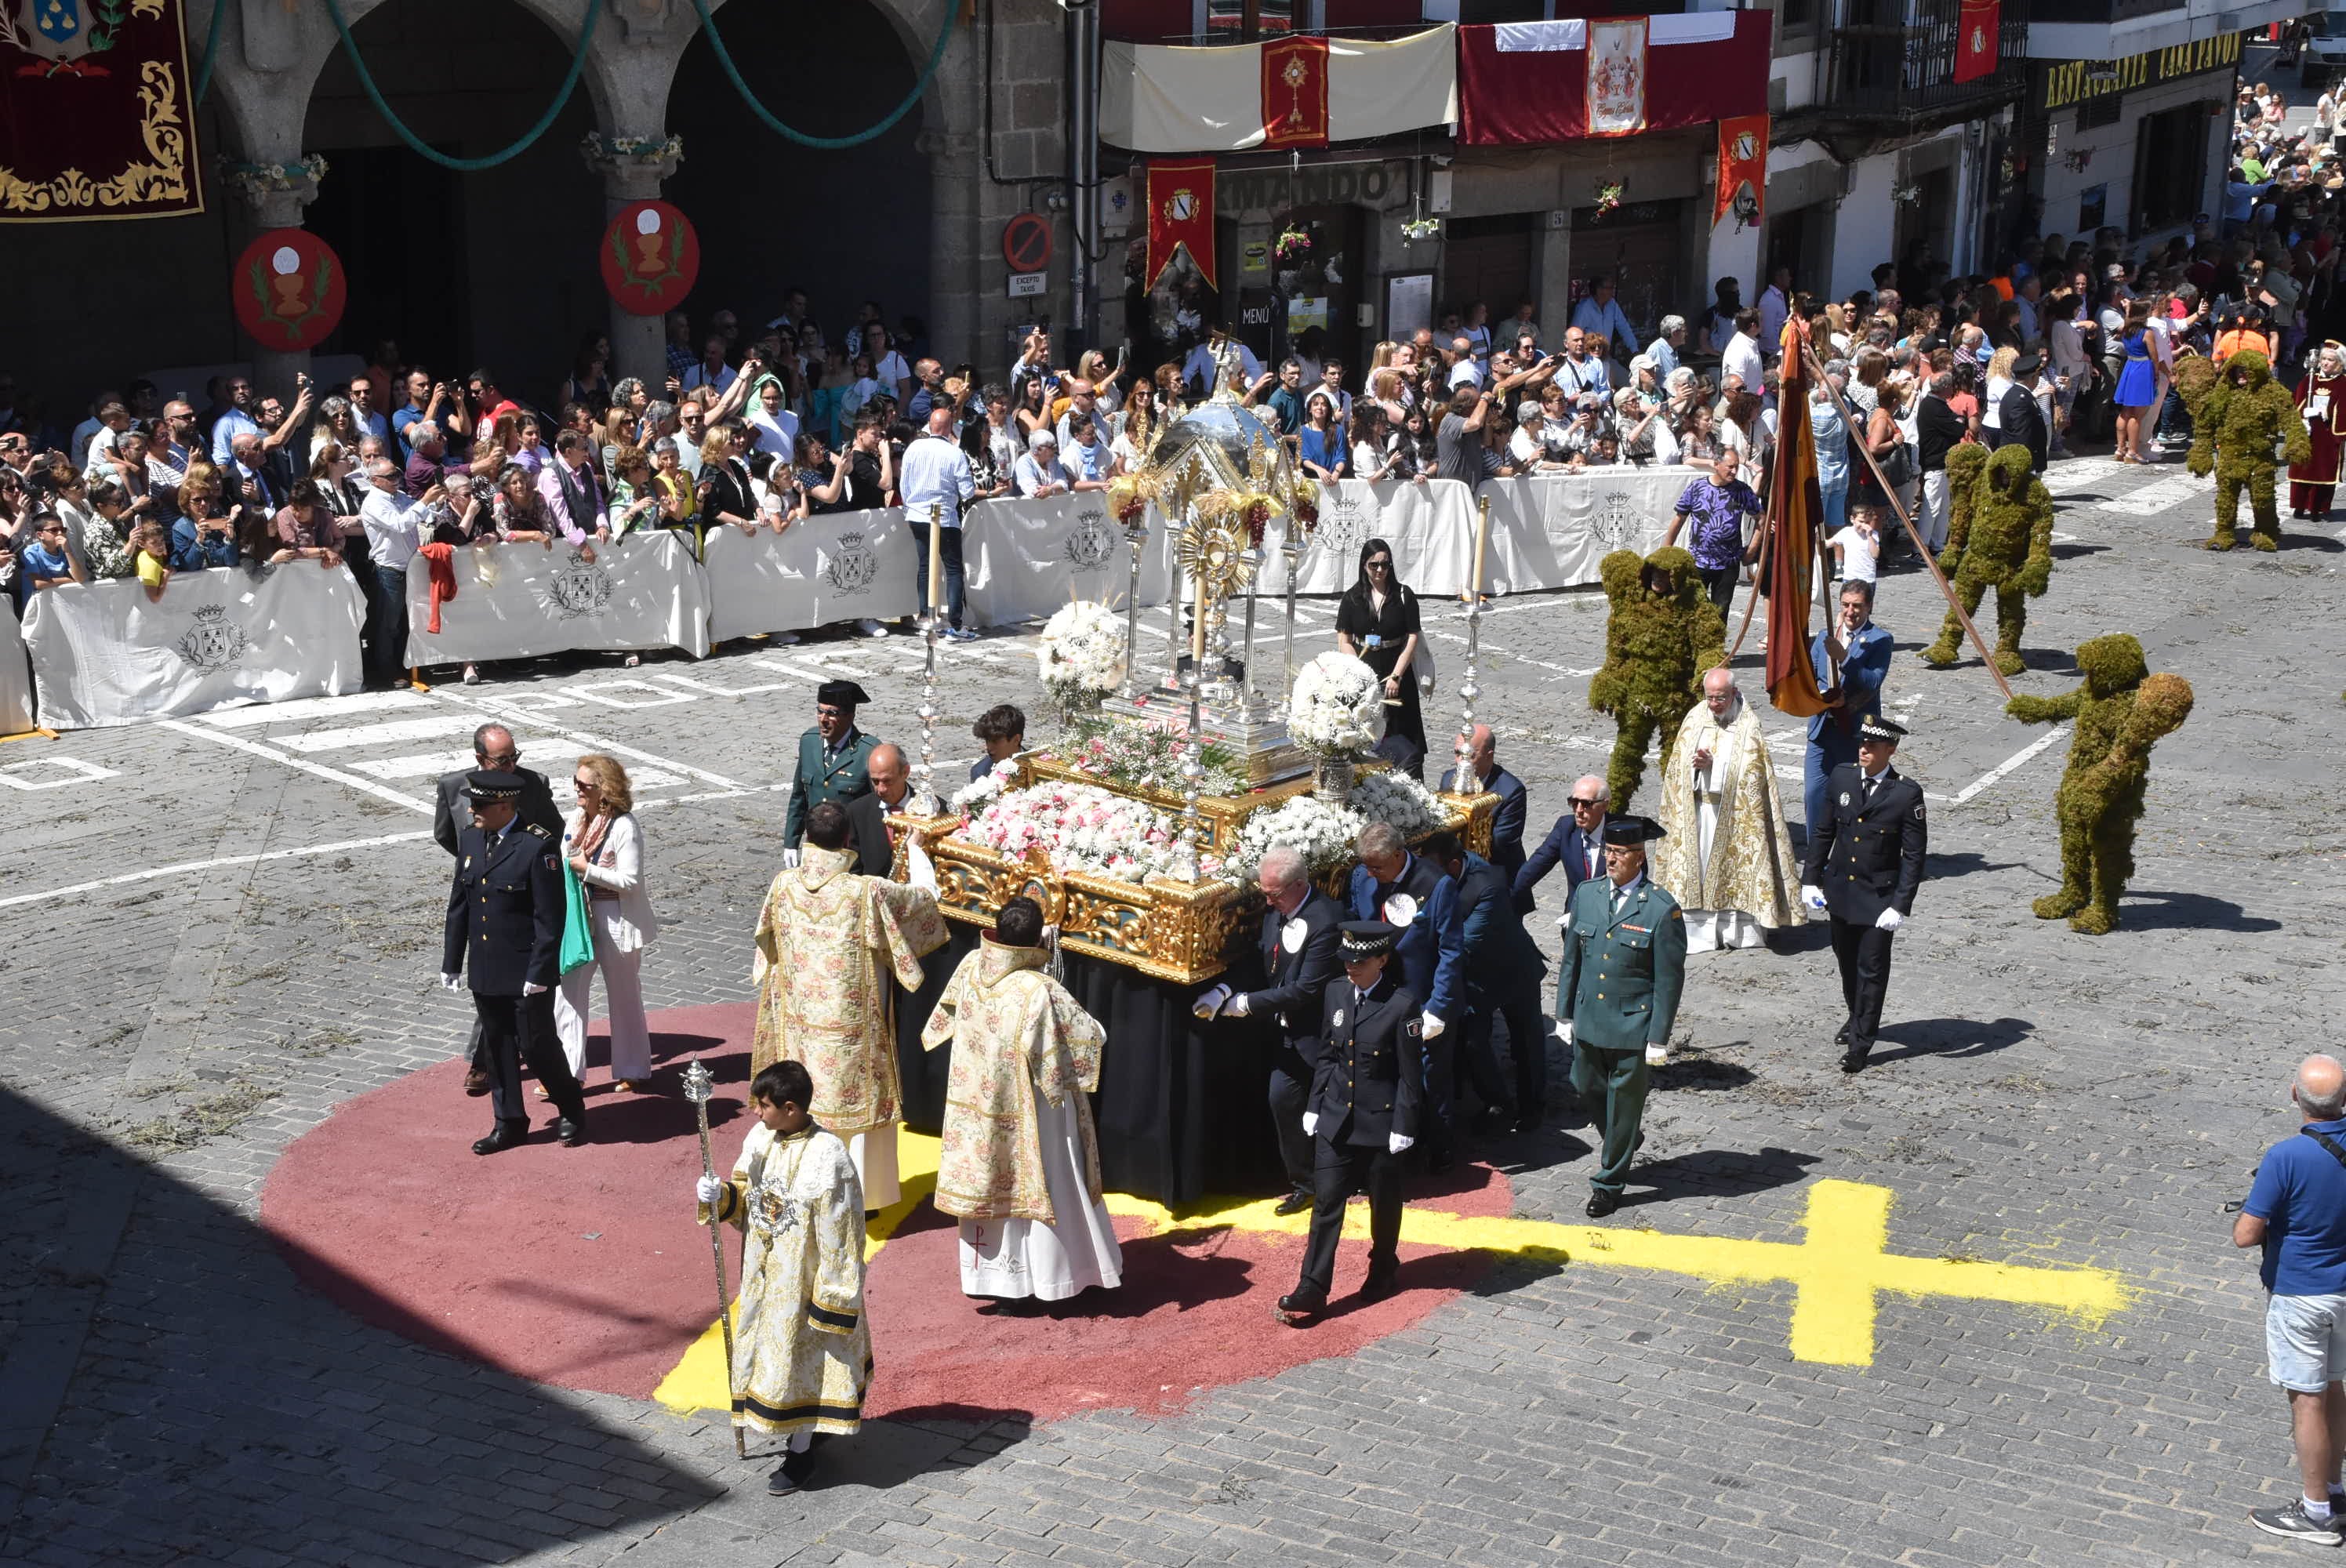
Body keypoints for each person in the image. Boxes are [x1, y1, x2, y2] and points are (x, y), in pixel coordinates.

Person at [922, 895, 1122, 1301]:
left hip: (977, 1108)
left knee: (993, 1187)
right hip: (1035, 1113)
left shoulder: (970, 967)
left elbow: (941, 1021)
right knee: (1051, 1181)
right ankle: (1056, 1281)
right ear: (1037, 940)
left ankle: (998, 1284)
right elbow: (1091, 1039)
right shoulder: (1040, 989)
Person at [750, 800, 947, 1210]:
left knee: (804, 1092)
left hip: (801, 1022)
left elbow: (765, 944)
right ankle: (863, 1195)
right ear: (846, 840)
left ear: (807, 837)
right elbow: (925, 900)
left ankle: (802, 1183)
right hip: (852, 1029)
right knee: (856, 1102)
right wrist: (914, 849)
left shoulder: (782, 884)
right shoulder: (865, 892)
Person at [692, 1059, 871, 1496]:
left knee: (804, 1367)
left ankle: (802, 1452)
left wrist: (833, 1298)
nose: (756, 1112)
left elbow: (844, 1236)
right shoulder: (761, 1138)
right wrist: (720, 1196)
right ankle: (798, 1434)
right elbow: (747, 1193)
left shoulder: (831, 1159)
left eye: (764, 1105)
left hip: (804, 1284)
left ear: (791, 1108)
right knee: (772, 1363)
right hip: (763, 1275)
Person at [1275, 920, 1422, 1323]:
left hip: (1380, 1124)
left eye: (1360, 961)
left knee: (1384, 1202)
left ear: (1383, 959)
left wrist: (1404, 1127)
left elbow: (1411, 1076)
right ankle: (1313, 1286)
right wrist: (1315, 1103)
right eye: (1347, 960)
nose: (1351, 968)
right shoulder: (1337, 992)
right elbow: (1329, 1053)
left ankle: (1383, 1264)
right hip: (1337, 1119)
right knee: (1326, 1204)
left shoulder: (1402, 1006)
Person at [439, 771, 590, 1153]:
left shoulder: (535, 846)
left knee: (536, 1044)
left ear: (505, 807)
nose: (472, 811)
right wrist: (452, 961)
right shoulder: (472, 839)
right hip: (487, 966)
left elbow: (549, 918)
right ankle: (508, 1122)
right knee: (497, 1045)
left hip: (526, 969)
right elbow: (460, 904)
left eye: (481, 806)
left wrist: (540, 971)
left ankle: (570, 1104)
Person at [1193, 844, 1344, 1217]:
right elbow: (1262, 962)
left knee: (1330, 1110)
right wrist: (1224, 991)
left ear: (1298, 885)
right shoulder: (1275, 913)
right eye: (1264, 892)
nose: (1267, 900)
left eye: (1273, 894)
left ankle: (1341, 1176)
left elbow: (1307, 989)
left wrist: (1247, 1005)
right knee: (1284, 1101)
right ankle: (1304, 1183)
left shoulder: (1326, 920)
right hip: (1286, 1035)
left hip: (1321, 1035)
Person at [2235, 1054, 2346, 1545]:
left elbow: (2245, 1234)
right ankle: (2337, 1490)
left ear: (2294, 1095)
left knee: (2307, 1400)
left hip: (2301, 1295)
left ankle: (2317, 1514)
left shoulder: (2285, 1156)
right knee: (2337, 1387)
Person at [1557, 815, 1685, 1217]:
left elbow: (1668, 979)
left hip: (1632, 1025)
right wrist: (1563, 1014)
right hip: (1590, 1018)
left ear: (1639, 856)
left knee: (1624, 1106)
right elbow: (1571, 960)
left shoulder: (1661, 910)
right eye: (1608, 851)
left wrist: (1659, 1038)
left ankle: (1608, 1184)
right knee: (1584, 1086)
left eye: (1619, 853)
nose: (1610, 859)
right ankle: (1625, 1138)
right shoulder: (1588, 894)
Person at [1799, 713, 1927, 1074]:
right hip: (1841, 891)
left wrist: (1900, 904)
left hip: (1877, 899)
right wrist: (1811, 879)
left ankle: (1861, 1043)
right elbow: (1824, 831)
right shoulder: (1842, 776)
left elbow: (1914, 856)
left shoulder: (1905, 794)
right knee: (1846, 963)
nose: (1864, 750)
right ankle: (1858, 1016)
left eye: (1872, 745)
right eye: (1862, 744)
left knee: (1871, 970)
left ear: (1891, 750)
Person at [1651, 668, 1805, 956]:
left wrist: (1716, 765)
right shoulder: (1695, 718)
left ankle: (1737, 932)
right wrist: (1695, 767)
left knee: (1731, 872)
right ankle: (1696, 932)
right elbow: (1677, 765)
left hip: (1735, 817)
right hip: (1698, 812)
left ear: (1734, 693)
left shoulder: (1749, 726)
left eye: (1720, 698)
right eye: (1709, 698)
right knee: (1696, 869)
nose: (1714, 704)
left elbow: (1752, 773)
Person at [1346, 822, 1462, 1167]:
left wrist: (1438, 1009)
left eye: (1377, 867)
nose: (1370, 873)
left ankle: (1439, 1148)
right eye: (1366, 866)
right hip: (1379, 995)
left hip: (1422, 997)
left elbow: (1451, 951)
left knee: (1428, 1077)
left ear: (1398, 856)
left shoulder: (1436, 885)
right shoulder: (1362, 877)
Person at [1425, 832, 1549, 1135]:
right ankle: (1498, 1102)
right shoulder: (1453, 872)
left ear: (1454, 866)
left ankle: (1532, 1107)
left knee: (1526, 1041)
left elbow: (1462, 943)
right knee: (1473, 1042)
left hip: (1513, 971)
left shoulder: (1488, 887)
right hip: (1477, 979)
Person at [554, 753, 659, 1094]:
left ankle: (633, 1067)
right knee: (567, 991)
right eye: (576, 782)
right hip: (580, 918)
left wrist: (587, 869)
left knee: (625, 995)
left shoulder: (625, 826)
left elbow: (630, 880)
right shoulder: (576, 818)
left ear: (604, 789)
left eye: (583, 785)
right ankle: (567, 1071)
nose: (576, 790)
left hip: (616, 918)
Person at [1805, 581, 1893, 838]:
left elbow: (1873, 681)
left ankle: (1847, 856)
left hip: (1853, 734)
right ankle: (1815, 858)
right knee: (1814, 795)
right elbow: (1812, 674)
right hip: (1821, 730)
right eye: (1845, 605)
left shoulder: (1880, 640)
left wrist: (1844, 658)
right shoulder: (1825, 636)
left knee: (1849, 799)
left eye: (1857, 605)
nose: (1850, 611)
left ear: (1869, 607)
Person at [1335, 538, 1426, 778]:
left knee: (1404, 736)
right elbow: (1344, 640)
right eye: (1374, 565)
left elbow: (1412, 638)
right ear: (1364, 566)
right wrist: (1358, 673)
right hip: (1364, 674)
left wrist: (1396, 676)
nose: (1379, 570)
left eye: (1385, 565)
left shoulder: (1403, 595)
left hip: (1397, 673)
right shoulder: (1352, 598)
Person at [899, 405, 978, 641]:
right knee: (953, 569)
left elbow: (904, 482)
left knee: (925, 565)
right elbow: (967, 491)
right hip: (943, 516)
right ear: (949, 427)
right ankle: (955, 624)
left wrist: (910, 507)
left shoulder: (914, 448)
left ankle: (925, 616)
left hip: (917, 514)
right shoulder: (955, 453)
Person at [783, 680, 880, 855]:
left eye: (832, 713)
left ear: (850, 716)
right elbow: (799, 797)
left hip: (851, 851)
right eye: (820, 711)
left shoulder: (868, 752)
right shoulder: (809, 742)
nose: (823, 719)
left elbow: (878, 808)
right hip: (814, 848)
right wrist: (790, 842)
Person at [1661, 451, 1763, 614]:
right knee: (1692, 609)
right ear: (1716, 464)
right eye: (1730, 467)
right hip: (1698, 561)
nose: (1735, 471)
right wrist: (1665, 553)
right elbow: (1679, 519)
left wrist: (1750, 552)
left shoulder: (1742, 491)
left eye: (1737, 467)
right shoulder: (1697, 488)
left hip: (1728, 564)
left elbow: (1761, 519)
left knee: (1720, 612)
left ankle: (1717, 640)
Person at [1437, 724, 1527, 890]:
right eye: (1458, 753)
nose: (1461, 762)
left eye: (1470, 755)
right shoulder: (1448, 779)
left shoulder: (1510, 791)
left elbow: (1501, 842)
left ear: (1489, 756)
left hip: (1497, 878)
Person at [1515, 774, 1611, 915]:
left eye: (1586, 804)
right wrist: (1503, 896)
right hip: (1574, 918)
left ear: (1605, 805)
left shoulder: (1621, 834)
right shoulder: (1566, 827)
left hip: (1608, 921)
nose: (1578, 810)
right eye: (1574, 802)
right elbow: (1536, 865)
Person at [842, 742, 920, 877]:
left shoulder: (932, 809)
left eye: (888, 781)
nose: (881, 789)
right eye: (875, 782)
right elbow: (853, 870)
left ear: (905, 772)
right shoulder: (858, 812)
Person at [2292, 340, 2346, 520]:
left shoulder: (2343, 383)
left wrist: (2326, 412)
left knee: (2322, 469)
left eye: (2330, 360)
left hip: (2327, 434)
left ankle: (2318, 507)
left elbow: (2343, 408)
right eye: (2323, 359)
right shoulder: (2310, 378)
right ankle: (2299, 506)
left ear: (2340, 363)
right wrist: (2302, 416)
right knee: (2302, 467)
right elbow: (2298, 399)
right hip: (2308, 431)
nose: (2325, 363)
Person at [969, 703, 1026, 782]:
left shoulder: (1040, 767)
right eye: (987, 740)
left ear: (1016, 740)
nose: (989, 748)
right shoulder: (980, 773)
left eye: (996, 742)